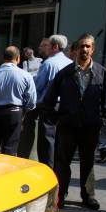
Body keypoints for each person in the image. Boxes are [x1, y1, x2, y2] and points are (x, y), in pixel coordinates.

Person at [42, 34, 106, 210]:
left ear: (93, 49)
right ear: (76, 50)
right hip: (68, 126)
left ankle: (88, 196)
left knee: (88, 162)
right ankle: (61, 195)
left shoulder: (100, 72)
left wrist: (104, 120)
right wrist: (56, 117)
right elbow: (49, 99)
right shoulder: (65, 73)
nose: (84, 49)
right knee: (62, 162)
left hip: (90, 126)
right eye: (82, 46)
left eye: (88, 47)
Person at [26, 34, 72, 168]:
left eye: (48, 45)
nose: (44, 48)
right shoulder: (69, 63)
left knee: (47, 142)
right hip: (65, 106)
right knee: (61, 140)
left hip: (49, 106)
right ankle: (59, 168)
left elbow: (38, 86)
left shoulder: (49, 63)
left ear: (55, 47)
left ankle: (48, 170)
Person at [0, 46, 36, 155]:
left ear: (3, 58)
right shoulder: (26, 76)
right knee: (10, 148)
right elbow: (31, 101)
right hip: (14, 113)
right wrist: (24, 112)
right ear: (18, 58)